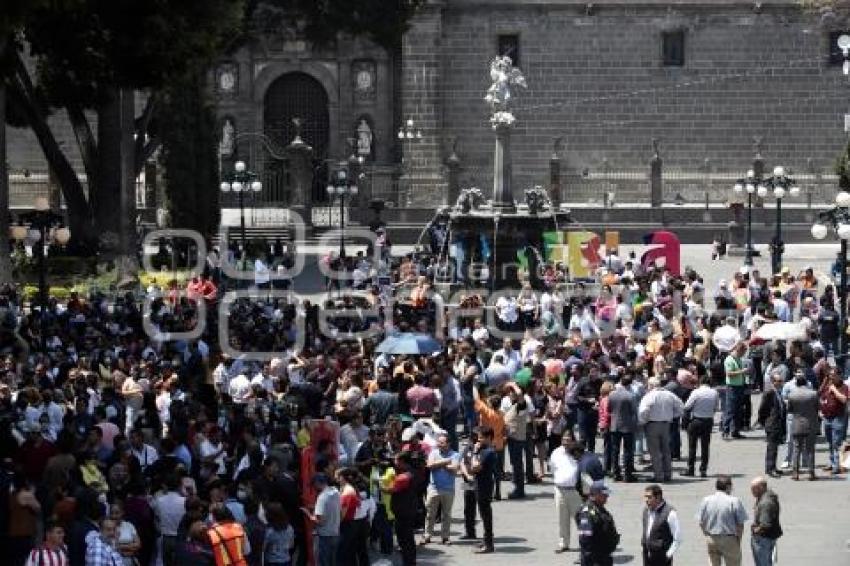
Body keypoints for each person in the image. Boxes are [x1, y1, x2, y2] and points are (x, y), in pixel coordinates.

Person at [638, 377, 684, 483]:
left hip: (652, 424)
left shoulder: (649, 396)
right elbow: (681, 407)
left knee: (655, 452)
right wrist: (673, 416)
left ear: (651, 386)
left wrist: (643, 421)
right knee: (666, 451)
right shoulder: (669, 395)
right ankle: (668, 474)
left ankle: (658, 475)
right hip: (666, 425)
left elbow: (643, 411)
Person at [696, 475, 748, 566]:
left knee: (713, 563)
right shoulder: (734, 501)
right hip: (729, 538)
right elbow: (740, 524)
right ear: (728, 487)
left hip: (712, 538)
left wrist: (707, 534)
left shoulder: (706, 500)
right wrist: (738, 540)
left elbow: (701, 521)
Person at [421, 432, 459, 545]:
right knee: (430, 513)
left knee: (446, 514)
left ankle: (445, 537)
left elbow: (454, 469)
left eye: (442, 443)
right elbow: (430, 466)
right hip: (434, 488)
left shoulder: (455, 454)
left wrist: (439, 464)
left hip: (448, 489)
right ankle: (427, 535)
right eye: (439, 442)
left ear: (448, 444)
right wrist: (446, 461)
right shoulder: (433, 453)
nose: (439, 444)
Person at [549, 433, 582, 553]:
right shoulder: (556, 453)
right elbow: (553, 469)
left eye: (568, 440)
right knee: (562, 519)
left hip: (575, 492)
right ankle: (563, 543)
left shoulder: (578, 453)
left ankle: (585, 544)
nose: (565, 443)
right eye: (564, 440)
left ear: (574, 441)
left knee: (581, 520)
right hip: (559, 490)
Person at [576, 480, 620, 566]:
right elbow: (585, 540)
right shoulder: (587, 512)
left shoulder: (599, 508)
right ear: (595, 495)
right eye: (604, 494)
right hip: (595, 560)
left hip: (603, 556)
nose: (607, 496)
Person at [682, 375, 719, 477]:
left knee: (692, 446)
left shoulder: (696, 392)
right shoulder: (714, 392)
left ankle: (691, 469)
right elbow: (716, 407)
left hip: (696, 420)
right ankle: (703, 470)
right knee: (705, 446)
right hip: (708, 421)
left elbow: (687, 406)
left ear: (700, 382)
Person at [470, 426, 499, 554]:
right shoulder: (483, 449)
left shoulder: (489, 452)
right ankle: (486, 540)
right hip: (479, 484)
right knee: (483, 514)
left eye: (481, 437)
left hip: (485, 486)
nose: (478, 440)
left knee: (486, 515)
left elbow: (475, 468)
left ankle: (489, 544)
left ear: (488, 438)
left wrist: (475, 453)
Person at [786, 372, 819, 481]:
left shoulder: (792, 395)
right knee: (810, 449)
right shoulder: (813, 394)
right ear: (806, 382)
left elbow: (789, 410)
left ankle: (795, 473)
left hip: (797, 424)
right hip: (810, 424)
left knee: (796, 449)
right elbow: (817, 407)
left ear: (796, 383)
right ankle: (811, 473)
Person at [302, 473, 340, 566]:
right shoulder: (335, 492)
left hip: (325, 536)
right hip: (335, 532)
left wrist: (308, 513)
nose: (313, 487)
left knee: (324, 562)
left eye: (314, 484)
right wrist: (315, 507)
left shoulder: (322, 498)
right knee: (333, 561)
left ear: (318, 483)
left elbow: (320, 521)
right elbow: (330, 507)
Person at [606, 374, 638, 482]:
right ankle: (627, 474)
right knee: (628, 450)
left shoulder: (612, 394)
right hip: (628, 426)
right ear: (630, 384)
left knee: (615, 450)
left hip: (614, 425)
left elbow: (609, 409)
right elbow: (634, 411)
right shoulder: (630, 396)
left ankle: (616, 473)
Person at [641, 484, 682, 566]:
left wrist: (668, 555)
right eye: (645, 497)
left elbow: (678, 538)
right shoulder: (646, 510)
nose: (646, 500)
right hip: (647, 555)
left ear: (658, 497)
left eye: (649, 497)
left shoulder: (670, 513)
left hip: (662, 557)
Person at [818, 366, 848, 475]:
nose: (831, 377)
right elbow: (821, 397)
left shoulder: (843, 387)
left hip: (838, 417)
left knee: (838, 442)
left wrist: (835, 390)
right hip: (827, 417)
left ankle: (839, 465)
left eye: (833, 375)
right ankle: (832, 463)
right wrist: (821, 410)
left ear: (839, 376)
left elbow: (844, 399)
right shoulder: (827, 385)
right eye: (830, 375)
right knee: (830, 442)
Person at [756, 372, 786, 478]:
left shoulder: (779, 392)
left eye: (781, 381)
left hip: (778, 423)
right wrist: (764, 421)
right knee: (772, 447)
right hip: (772, 423)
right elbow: (762, 409)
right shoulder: (769, 393)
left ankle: (773, 467)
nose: (780, 383)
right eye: (778, 381)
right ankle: (769, 469)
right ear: (773, 382)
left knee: (775, 447)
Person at [749, 477, 782, 566]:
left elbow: (765, 524)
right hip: (768, 537)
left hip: (763, 539)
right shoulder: (767, 497)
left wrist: (755, 531)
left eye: (753, 489)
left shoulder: (765, 503)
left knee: (763, 563)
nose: (752, 492)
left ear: (761, 487)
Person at [722, 343, 748, 440]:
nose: (744, 354)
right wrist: (741, 372)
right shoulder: (729, 359)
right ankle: (725, 430)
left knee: (738, 410)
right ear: (739, 350)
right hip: (732, 387)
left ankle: (735, 431)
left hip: (740, 386)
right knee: (730, 410)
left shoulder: (738, 359)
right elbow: (728, 373)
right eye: (743, 352)